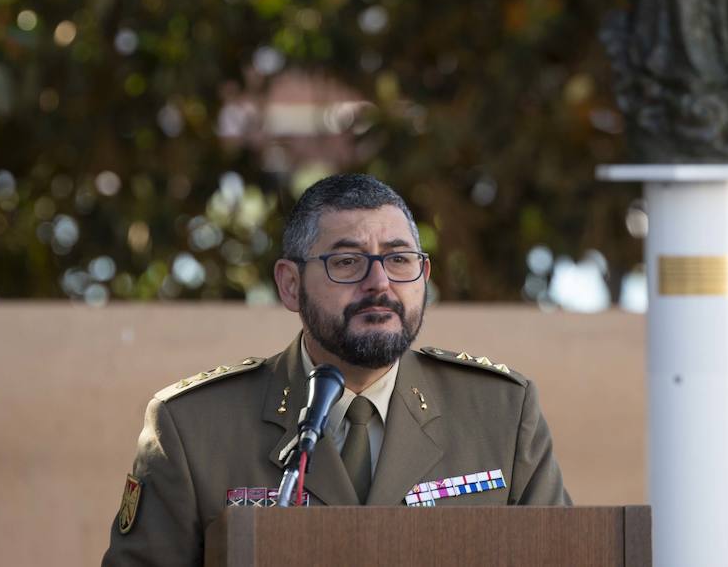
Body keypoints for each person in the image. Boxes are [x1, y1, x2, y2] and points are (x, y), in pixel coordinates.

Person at [101, 173, 570, 566]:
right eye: (347, 262)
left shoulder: (502, 413)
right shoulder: (193, 428)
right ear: (290, 285)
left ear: (424, 277)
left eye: (399, 259)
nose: (380, 283)